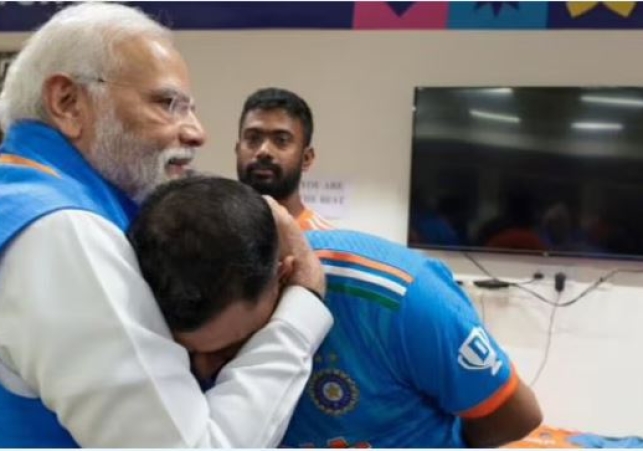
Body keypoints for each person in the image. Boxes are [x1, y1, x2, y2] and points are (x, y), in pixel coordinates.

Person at [0, 3, 332, 447]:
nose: (197, 133)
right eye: (168, 103)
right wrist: (303, 303)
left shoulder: (24, 194)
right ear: (68, 102)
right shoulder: (63, 231)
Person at [131, 175, 543, 449]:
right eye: (187, 353)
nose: (205, 371)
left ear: (284, 276)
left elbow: (514, 415)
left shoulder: (399, 297)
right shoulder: (135, 303)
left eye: (232, 348)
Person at [235, 87, 333, 231]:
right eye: (253, 138)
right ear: (237, 150)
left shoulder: (331, 246)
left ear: (306, 158)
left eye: (281, 140)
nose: (264, 151)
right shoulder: (211, 238)